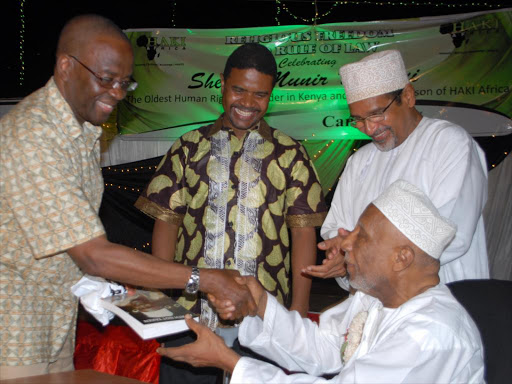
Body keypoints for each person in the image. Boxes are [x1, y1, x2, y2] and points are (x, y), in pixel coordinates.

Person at [0, 15, 254, 380]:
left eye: (124, 83)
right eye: (106, 79)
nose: (117, 93)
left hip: (54, 324)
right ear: (65, 66)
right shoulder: (33, 137)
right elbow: (94, 254)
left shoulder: (81, 131)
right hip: (14, 333)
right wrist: (207, 279)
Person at [158, 180, 485, 383]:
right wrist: (259, 304)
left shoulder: (430, 334)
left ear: (402, 258)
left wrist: (229, 361)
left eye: (363, 236)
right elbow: (327, 348)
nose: (345, 243)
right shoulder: (375, 298)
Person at [135, 42, 327, 383]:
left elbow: (303, 234)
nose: (248, 103)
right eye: (239, 89)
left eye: (260, 94)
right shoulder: (188, 147)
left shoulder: (291, 154)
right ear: (222, 84)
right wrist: (164, 300)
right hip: (190, 313)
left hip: (265, 316)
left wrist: (297, 310)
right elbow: (166, 225)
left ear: (271, 94)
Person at [305, 49, 489, 288]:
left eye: (377, 114)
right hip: (374, 304)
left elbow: (448, 235)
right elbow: (335, 228)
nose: (369, 128)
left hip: (441, 300)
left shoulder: (450, 143)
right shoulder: (360, 161)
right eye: (358, 119)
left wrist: (360, 256)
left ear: (408, 96)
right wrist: (340, 254)